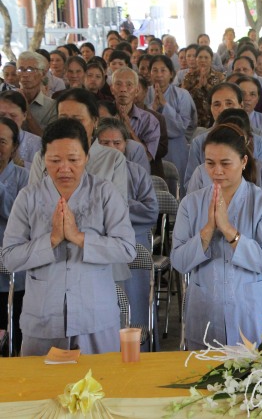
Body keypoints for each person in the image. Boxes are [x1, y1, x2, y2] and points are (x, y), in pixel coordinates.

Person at [2, 118, 136, 356]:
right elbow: (10, 258)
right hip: (43, 317)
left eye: (73, 160)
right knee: (42, 380)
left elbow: (126, 249)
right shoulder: (28, 197)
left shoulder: (104, 193)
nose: (64, 168)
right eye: (55, 160)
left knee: (100, 378)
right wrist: (51, 240)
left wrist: (78, 237)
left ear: (86, 157)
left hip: (95, 316)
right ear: (43, 158)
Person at [171, 124, 262, 348]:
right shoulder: (191, 203)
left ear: (243, 161)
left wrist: (228, 230)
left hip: (253, 312)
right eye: (210, 163)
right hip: (206, 310)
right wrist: (207, 231)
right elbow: (179, 262)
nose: (217, 171)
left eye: (225, 163)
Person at [95, 118, 158, 349]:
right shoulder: (89, 172)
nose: (112, 149)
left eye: (117, 143)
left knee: (135, 302)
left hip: (133, 240)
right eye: (104, 143)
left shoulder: (137, 172)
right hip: (99, 243)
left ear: (126, 145)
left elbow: (151, 210)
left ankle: (140, 349)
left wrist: (116, 206)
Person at [28, 88, 128, 201]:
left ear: (95, 121)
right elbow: (33, 201)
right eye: (63, 119)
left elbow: (119, 205)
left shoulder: (114, 158)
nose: (70, 126)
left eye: (78, 120)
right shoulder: (42, 157)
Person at [145, 55, 197, 193]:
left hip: (175, 146)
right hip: (149, 147)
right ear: (150, 73)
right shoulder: (145, 93)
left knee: (177, 186)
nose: (159, 75)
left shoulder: (182, 94)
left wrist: (165, 105)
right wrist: (153, 108)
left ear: (171, 74)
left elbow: (184, 125)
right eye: (155, 70)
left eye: (163, 70)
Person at [0, 117, 29, 355]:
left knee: (14, 343)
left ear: (14, 147)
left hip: (14, 278)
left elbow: (20, 218)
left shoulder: (24, 178)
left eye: (2, 141)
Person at [182, 46, 225, 129]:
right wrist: (198, 86)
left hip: (214, 117)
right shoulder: (188, 77)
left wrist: (206, 86)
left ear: (211, 59)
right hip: (194, 118)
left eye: (206, 57)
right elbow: (184, 98)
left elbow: (222, 97)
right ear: (196, 59)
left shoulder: (220, 76)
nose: (203, 60)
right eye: (200, 57)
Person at [0, 90, 41, 170]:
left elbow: (45, 172)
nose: (7, 119)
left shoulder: (37, 143)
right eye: (1, 115)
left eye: (13, 115)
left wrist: (20, 163)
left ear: (24, 115)